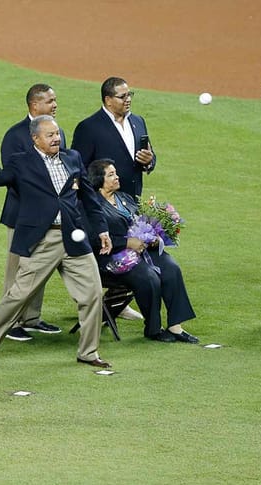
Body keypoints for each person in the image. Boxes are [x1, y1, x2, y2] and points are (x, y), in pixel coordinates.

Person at [0, 116, 113, 368]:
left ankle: (88, 352)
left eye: (57, 133)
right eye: (50, 135)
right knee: (18, 296)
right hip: (41, 241)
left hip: (73, 238)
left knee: (92, 295)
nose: (56, 138)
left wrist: (101, 229)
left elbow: (90, 198)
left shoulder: (72, 158)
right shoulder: (21, 162)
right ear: (35, 139)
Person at [85, 159, 198, 343]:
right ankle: (153, 329)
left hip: (141, 251)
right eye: (111, 174)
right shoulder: (91, 205)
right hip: (113, 259)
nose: (117, 177)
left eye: (116, 173)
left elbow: (141, 221)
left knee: (171, 268)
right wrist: (126, 242)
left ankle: (175, 326)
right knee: (148, 277)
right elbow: (92, 239)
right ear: (99, 180)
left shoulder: (125, 198)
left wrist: (152, 236)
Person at [72, 76, 153, 322]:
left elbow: (150, 153)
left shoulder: (138, 122)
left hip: (129, 201)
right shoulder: (89, 127)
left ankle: (116, 302)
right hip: (101, 204)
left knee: (129, 247)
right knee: (112, 247)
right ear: (108, 100)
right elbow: (79, 168)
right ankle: (101, 301)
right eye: (122, 96)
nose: (128, 100)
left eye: (130, 95)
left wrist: (149, 161)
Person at [0, 83, 66, 342]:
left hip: (48, 217)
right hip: (21, 215)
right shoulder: (15, 135)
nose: (54, 105)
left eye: (55, 100)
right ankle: (10, 321)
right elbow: (10, 177)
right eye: (50, 101)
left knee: (40, 267)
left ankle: (32, 318)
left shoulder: (57, 133)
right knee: (16, 270)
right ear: (34, 105)